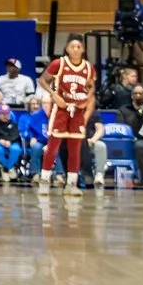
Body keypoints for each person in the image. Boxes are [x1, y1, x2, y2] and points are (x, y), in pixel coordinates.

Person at [44, 35, 98, 191]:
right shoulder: (59, 64)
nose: (75, 49)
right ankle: (45, 178)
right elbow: (42, 80)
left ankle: (72, 182)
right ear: (67, 48)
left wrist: (87, 102)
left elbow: (91, 89)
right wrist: (54, 96)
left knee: (76, 149)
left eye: (78, 47)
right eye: (72, 46)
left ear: (83, 49)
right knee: (54, 146)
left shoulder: (88, 68)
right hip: (61, 110)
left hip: (78, 113)